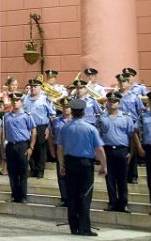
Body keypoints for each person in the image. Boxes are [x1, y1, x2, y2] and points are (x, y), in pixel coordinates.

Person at [56, 98, 107, 236]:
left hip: (70, 162)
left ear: (71, 112)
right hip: (85, 164)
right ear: (84, 112)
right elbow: (100, 150)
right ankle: (84, 228)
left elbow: (59, 148)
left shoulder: (65, 127)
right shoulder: (90, 128)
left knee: (72, 195)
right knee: (84, 196)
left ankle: (74, 227)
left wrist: (61, 164)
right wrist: (104, 165)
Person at [97, 91, 136, 213]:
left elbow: (131, 136)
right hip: (107, 150)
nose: (112, 103)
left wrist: (131, 152)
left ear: (119, 103)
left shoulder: (126, 117)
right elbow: (98, 135)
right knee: (110, 178)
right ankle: (112, 202)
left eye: (115, 101)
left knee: (122, 179)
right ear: (107, 103)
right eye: (110, 101)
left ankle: (123, 203)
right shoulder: (102, 118)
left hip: (122, 150)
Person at [3, 92, 36, 203]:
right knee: (12, 172)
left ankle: (23, 196)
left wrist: (31, 146)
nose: (15, 102)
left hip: (22, 145)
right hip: (10, 145)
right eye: (13, 100)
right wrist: (3, 147)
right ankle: (14, 195)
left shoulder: (27, 115)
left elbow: (33, 130)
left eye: (17, 100)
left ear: (21, 102)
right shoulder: (6, 116)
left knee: (23, 172)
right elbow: (4, 132)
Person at [23, 78, 55, 178]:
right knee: (29, 147)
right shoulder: (25, 98)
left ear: (40, 87)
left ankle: (40, 170)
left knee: (40, 149)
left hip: (41, 127)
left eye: (35, 86)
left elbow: (52, 115)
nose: (32, 88)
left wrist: (48, 128)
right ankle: (33, 168)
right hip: (28, 127)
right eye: (31, 86)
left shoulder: (45, 99)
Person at [48, 98, 73, 207]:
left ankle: (72, 198)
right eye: (64, 107)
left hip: (73, 151)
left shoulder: (76, 121)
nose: (66, 109)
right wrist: (52, 149)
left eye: (68, 107)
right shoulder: (56, 121)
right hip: (60, 151)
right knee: (61, 176)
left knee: (72, 176)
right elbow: (51, 135)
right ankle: (64, 198)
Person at [133, 92, 151, 214]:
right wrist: (139, 147)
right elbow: (135, 131)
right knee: (150, 179)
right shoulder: (144, 115)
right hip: (149, 148)